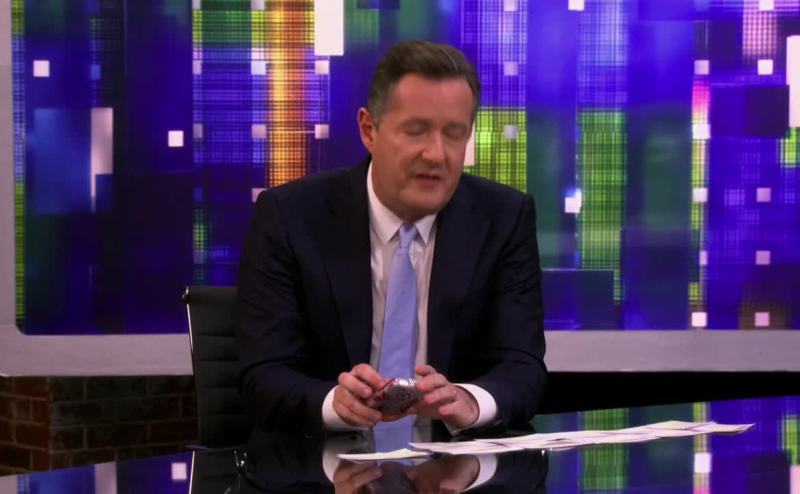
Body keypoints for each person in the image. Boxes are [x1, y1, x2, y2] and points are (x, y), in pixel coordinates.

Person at [237, 39, 546, 437]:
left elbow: (523, 367)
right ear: (369, 130)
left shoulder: (503, 219)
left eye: (454, 134)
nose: (436, 155)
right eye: (416, 132)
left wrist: (469, 401)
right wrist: (334, 403)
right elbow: (264, 374)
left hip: (453, 463)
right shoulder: (291, 217)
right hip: (324, 463)